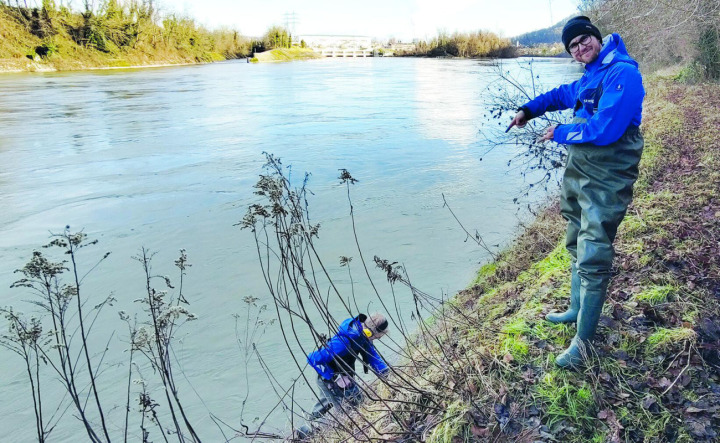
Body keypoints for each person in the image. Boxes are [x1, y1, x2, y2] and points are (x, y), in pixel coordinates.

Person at [507, 16, 645, 368]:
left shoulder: (622, 73)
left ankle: (583, 345)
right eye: (573, 46)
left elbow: (608, 128)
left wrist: (561, 132)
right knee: (574, 236)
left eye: (585, 40)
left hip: (609, 172)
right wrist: (528, 111)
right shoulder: (590, 75)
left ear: (596, 38)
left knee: (594, 250)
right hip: (581, 171)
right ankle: (574, 308)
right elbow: (560, 95)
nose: (581, 48)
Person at [307, 313, 390, 411]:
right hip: (327, 378)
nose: (376, 339)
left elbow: (372, 355)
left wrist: (385, 373)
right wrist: (335, 377)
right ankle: (313, 424)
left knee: (357, 403)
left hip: (344, 376)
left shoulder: (362, 337)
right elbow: (311, 358)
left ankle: (314, 419)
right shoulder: (342, 343)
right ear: (369, 332)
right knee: (343, 411)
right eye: (377, 337)